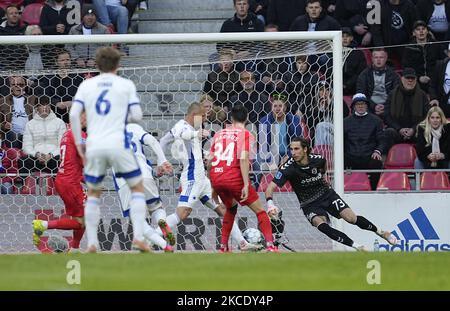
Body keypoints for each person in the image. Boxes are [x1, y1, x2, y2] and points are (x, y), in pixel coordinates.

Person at [69, 46, 149, 253]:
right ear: (118, 65)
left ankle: (93, 243)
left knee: (94, 193)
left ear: (97, 65)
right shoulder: (125, 84)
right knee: (137, 188)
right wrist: (121, 116)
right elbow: (138, 116)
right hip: (118, 143)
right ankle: (139, 238)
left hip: (94, 144)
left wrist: (79, 144)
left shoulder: (87, 85)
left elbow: (74, 114)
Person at [264, 136, 398, 251]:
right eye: (291, 149)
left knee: (351, 218)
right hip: (308, 203)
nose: (293, 152)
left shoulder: (318, 159)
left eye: (296, 149)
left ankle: (381, 232)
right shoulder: (288, 168)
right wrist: (270, 204)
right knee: (321, 225)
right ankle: (357, 246)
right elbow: (269, 188)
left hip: (326, 194)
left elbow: (323, 169)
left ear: (305, 149)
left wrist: (324, 179)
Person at [160, 102, 259, 252]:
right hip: (192, 177)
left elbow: (176, 144)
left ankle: (242, 243)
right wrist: (162, 161)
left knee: (223, 210)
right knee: (183, 213)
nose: (205, 119)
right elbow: (178, 136)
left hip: (203, 180)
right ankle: (151, 235)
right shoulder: (182, 126)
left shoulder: (195, 128)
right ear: (194, 115)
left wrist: (206, 155)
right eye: (203, 116)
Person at [209, 104, 278, 253]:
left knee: (231, 208)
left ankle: (223, 247)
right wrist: (246, 184)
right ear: (246, 118)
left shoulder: (218, 133)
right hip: (233, 178)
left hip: (217, 176)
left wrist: (213, 185)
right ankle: (271, 246)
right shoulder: (246, 134)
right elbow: (244, 158)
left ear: (231, 118)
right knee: (260, 211)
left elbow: (209, 160)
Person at [113, 123, 176, 252]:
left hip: (124, 180)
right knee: (156, 207)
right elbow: (152, 141)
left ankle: (165, 245)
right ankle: (161, 221)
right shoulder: (133, 127)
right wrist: (162, 160)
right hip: (144, 174)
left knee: (137, 219)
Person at [32, 112, 88, 252]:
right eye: (85, 115)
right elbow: (84, 159)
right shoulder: (78, 135)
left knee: (82, 218)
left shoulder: (67, 133)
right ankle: (43, 224)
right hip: (70, 183)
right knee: (81, 222)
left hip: (65, 179)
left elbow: (72, 161)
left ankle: (75, 249)